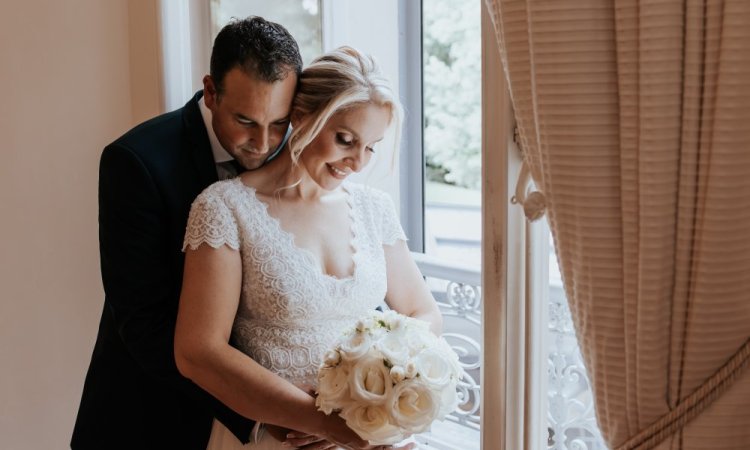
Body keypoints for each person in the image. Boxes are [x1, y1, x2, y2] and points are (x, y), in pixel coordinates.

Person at [175, 46, 444, 450]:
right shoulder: (224, 208)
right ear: (301, 118)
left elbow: (423, 313)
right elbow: (198, 352)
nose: (357, 162)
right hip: (279, 436)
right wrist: (322, 421)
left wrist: (378, 397)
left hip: (368, 436)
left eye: (371, 146)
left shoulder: (375, 209)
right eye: (345, 140)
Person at [72, 17, 302, 450]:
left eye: (279, 122)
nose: (263, 142)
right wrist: (258, 412)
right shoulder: (136, 161)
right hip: (150, 420)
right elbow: (143, 322)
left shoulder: (295, 156)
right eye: (245, 121)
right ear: (211, 92)